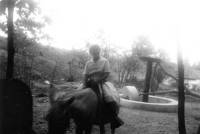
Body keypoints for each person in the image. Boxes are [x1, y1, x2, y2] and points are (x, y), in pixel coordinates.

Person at [82, 44, 124, 128]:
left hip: (101, 82)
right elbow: (85, 74)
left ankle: (114, 117)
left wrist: (98, 80)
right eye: (93, 53)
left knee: (109, 97)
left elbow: (107, 73)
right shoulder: (88, 63)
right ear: (91, 53)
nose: (95, 54)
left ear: (99, 52)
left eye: (96, 52)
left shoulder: (104, 61)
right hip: (89, 82)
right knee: (77, 95)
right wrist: (84, 83)